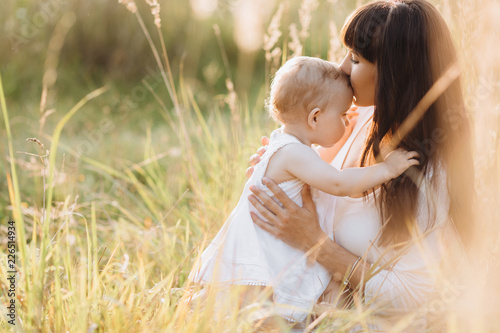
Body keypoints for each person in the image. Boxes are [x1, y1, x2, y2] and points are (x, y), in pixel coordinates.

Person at [246, 0, 474, 330]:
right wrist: (282, 172)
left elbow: (413, 294)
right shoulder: (359, 119)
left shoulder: (424, 171)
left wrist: (314, 243)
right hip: (312, 303)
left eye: (355, 59)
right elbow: (324, 185)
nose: (341, 68)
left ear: (393, 73)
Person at [189, 56, 420, 322]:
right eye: (343, 116)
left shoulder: (285, 143)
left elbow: (319, 155)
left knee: (246, 315)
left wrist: (340, 129)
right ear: (315, 118)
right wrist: (386, 170)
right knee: (253, 315)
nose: (348, 122)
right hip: (264, 258)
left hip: (267, 250)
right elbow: (337, 182)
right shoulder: (294, 154)